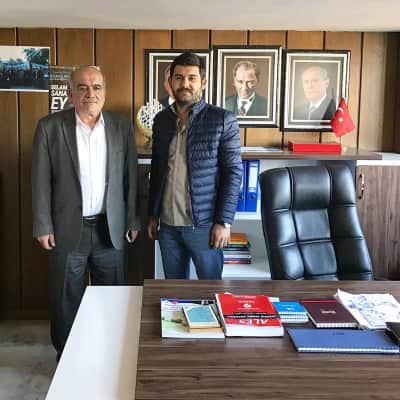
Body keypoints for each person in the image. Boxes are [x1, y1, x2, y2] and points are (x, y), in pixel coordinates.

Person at [32, 65, 140, 361]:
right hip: (66, 229)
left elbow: (129, 177)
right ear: (71, 93)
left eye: (96, 87)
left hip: (110, 228)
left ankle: (109, 355)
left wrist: (132, 219)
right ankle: (67, 357)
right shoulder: (50, 127)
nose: (90, 93)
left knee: (111, 296)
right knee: (65, 298)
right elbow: (40, 181)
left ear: (104, 92)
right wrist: (42, 225)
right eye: (82, 87)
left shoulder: (121, 127)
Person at [147, 52, 242, 279]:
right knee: (174, 291)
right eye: (179, 78)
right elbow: (158, 169)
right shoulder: (161, 120)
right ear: (170, 82)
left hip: (204, 226)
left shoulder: (222, 119)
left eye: (192, 78)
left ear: (203, 83)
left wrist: (223, 221)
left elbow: (233, 173)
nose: (185, 84)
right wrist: (153, 214)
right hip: (168, 226)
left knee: (210, 290)